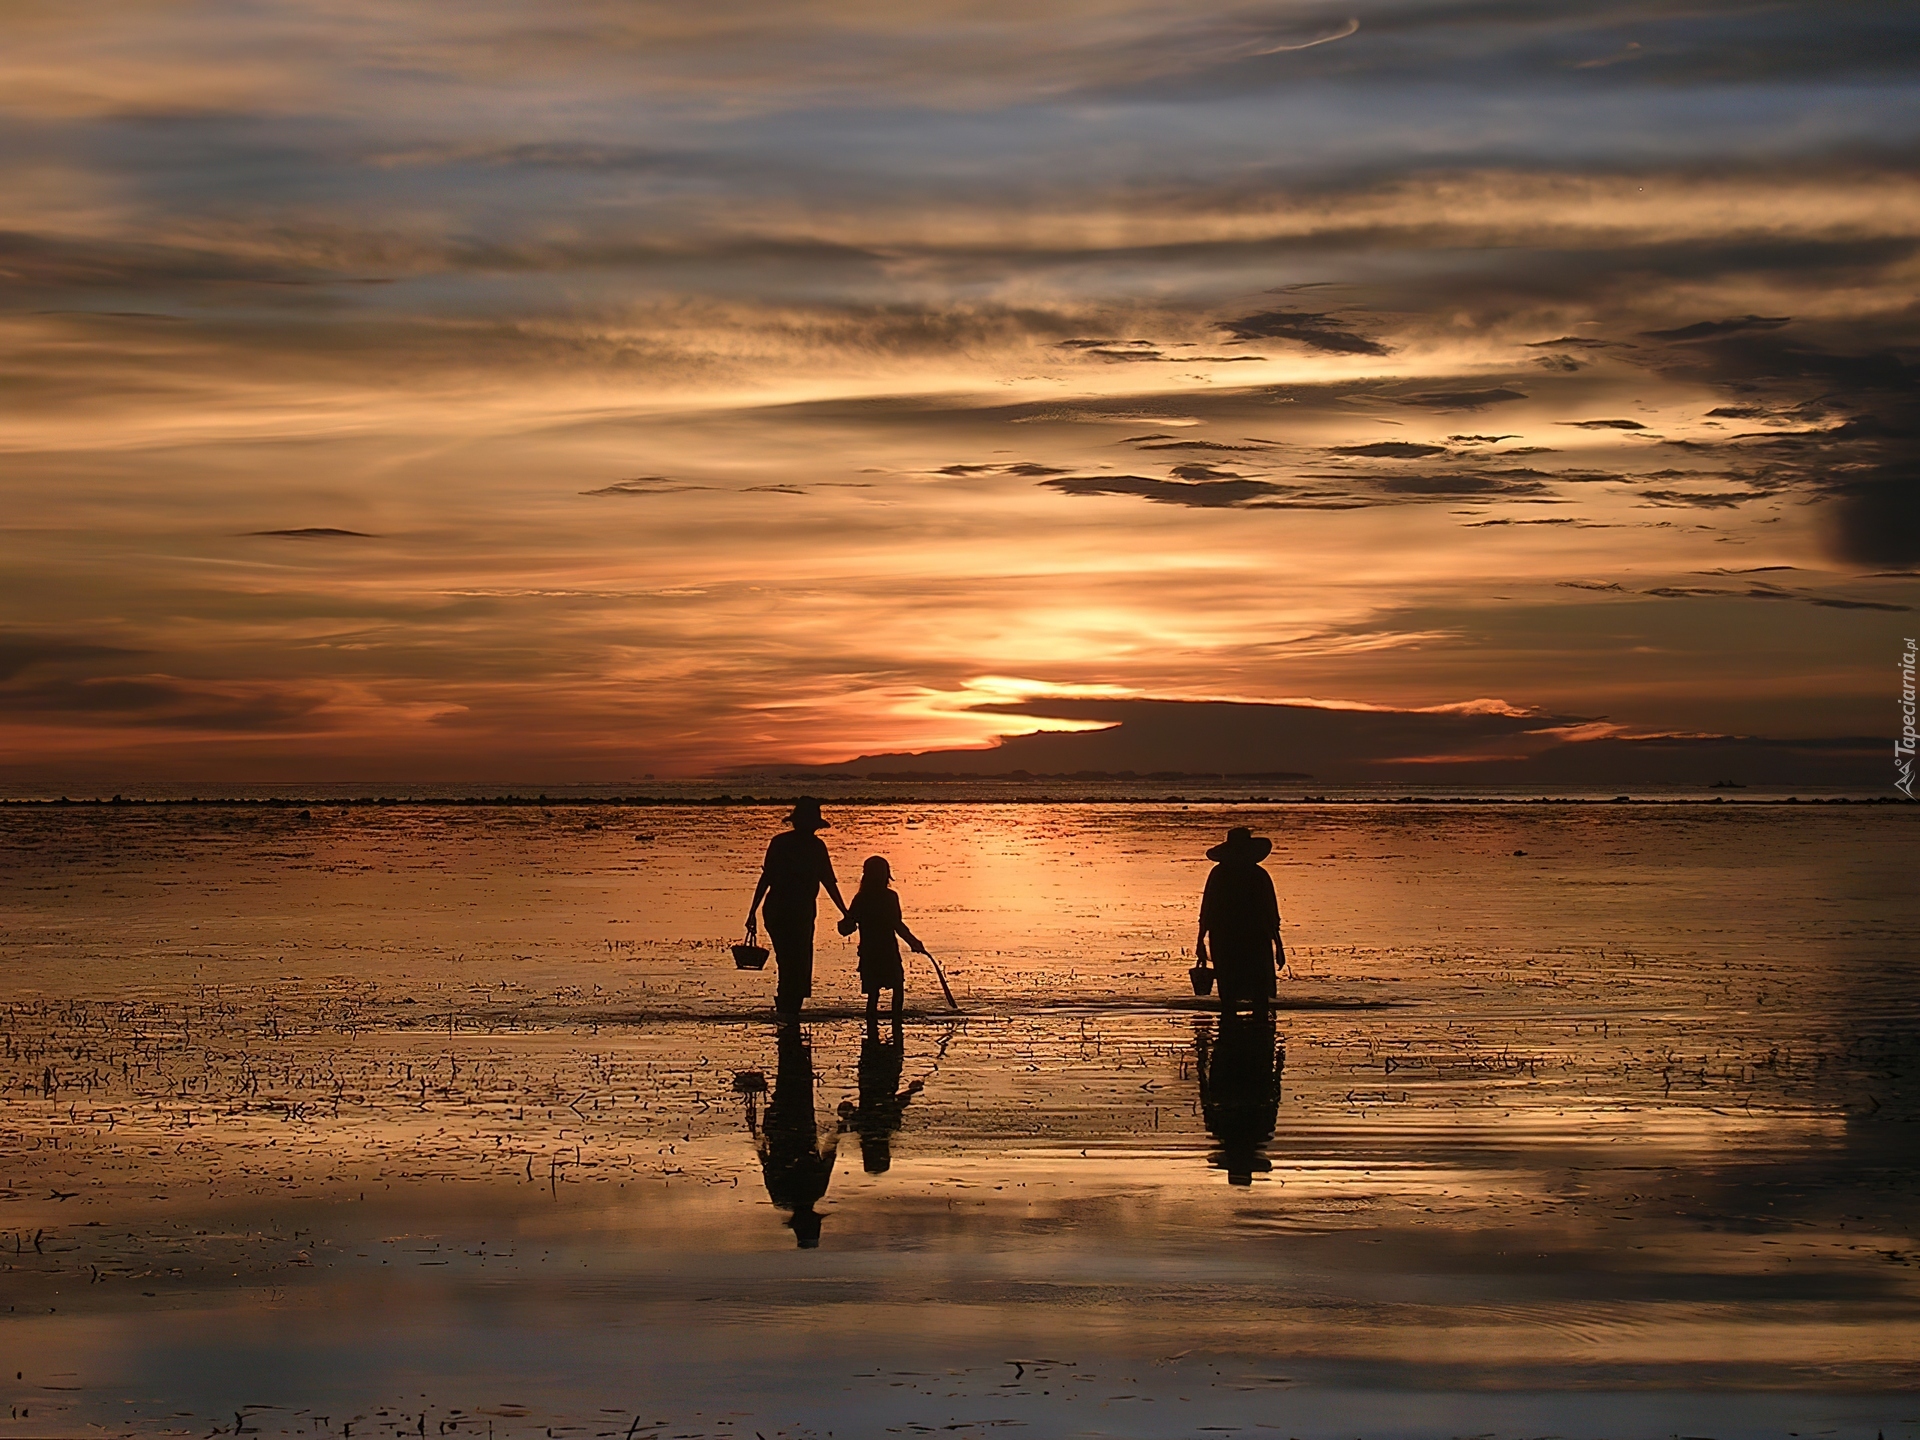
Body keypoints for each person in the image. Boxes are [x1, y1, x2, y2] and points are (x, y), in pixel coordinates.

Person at [747, 798, 848, 1016]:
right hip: (794, 911)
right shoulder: (814, 847)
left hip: (780, 910)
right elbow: (828, 882)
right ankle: (788, 1008)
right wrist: (845, 912)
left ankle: (787, 1007)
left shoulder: (781, 843)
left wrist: (753, 911)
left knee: (789, 961)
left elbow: (767, 878)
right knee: (797, 961)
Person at [751, 1021, 837, 1247]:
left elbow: (829, 1156)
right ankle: (788, 1036)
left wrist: (839, 1133)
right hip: (778, 1130)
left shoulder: (815, 1190)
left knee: (797, 1082)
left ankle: (791, 1034)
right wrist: (758, 1139)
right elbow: (766, 1163)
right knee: (787, 1083)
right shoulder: (780, 1198)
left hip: (802, 1125)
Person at [1195, 825, 1284, 1008]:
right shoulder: (1256, 875)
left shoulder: (1223, 874)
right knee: (1258, 996)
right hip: (1247, 938)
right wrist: (1278, 945)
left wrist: (1200, 940)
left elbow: (1206, 912)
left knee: (1233, 994)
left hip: (1233, 938)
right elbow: (1272, 915)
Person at [1194, 1009, 1285, 1185]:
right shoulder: (1259, 1132)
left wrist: (1202, 1064)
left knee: (1232, 1024)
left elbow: (1274, 1099)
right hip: (1248, 1078)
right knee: (1244, 1023)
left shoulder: (1260, 1132)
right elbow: (1274, 1099)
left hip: (1237, 1078)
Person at [836, 855, 925, 1026]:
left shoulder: (861, 898)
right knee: (897, 987)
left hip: (870, 952)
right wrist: (913, 942)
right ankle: (896, 1020)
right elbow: (897, 925)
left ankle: (873, 1024)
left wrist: (845, 924)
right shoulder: (890, 897)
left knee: (873, 994)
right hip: (887, 950)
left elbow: (849, 924)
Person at [837, 1025, 923, 1174]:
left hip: (882, 1076)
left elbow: (898, 1104)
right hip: (876, 1077)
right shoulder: (871, 1127)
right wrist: (912, 1090)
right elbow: (897, 1104)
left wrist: (912, 1090)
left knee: (880, 1034)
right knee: (880, 1034)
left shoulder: (881, 1126)